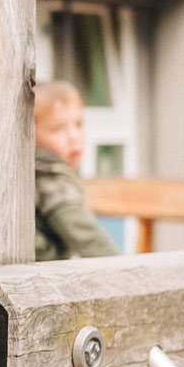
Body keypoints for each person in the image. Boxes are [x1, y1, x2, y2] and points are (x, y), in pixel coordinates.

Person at [34, 79, 121, 260]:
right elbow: (91, 241)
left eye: (78, 124)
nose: (73, 137)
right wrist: (126, 271)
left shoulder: (47, 173)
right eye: (57, 129)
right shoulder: (50, 181)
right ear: (29, 135)